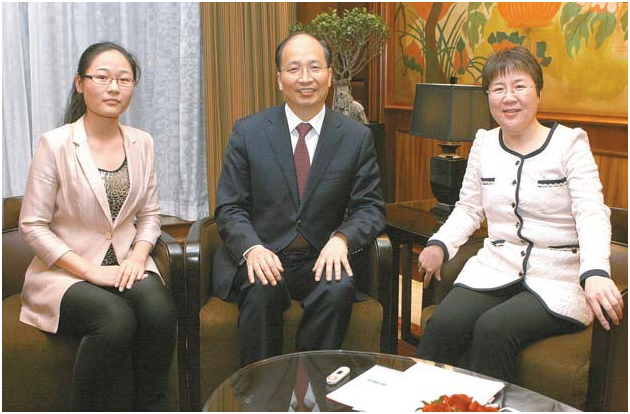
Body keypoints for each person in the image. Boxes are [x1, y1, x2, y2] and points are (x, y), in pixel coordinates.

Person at [416, 46, 624, 383]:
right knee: (444, 324)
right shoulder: (484, 144)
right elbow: (469, 207)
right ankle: (420, 399)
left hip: (557, 278)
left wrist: (596, 272)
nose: (508, 97)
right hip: (496, 267)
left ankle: (485, 405)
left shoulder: (569, 144)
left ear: (537, 92)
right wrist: (440, 244)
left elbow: (591, 212)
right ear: (488, 97)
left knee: (493, 329)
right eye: (498, 89)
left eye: (519, 86)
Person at [18, 42, 176, 411]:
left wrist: (137, 257)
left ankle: (151, 406)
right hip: (65, 272)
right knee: (115, 319)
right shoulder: (55, 144)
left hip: (124, 264)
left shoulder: (142, 142)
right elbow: (32, 225)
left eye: (124, 79)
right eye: (102, 78)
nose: (114, 88)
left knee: (160, 310)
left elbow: (150, 215)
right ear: (80, 83)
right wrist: (89, 271)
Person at [213, 32, 385, 366]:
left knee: (338, 288)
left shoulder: (356, 137)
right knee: (260, 287)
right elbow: (230, 206)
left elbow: (370, 207)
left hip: (321, 255)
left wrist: (342, 239)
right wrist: (252, 248)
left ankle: (309, 385)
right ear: (280, 79)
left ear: (330, 76)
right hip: (265, 251)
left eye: (314, 67)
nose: (305, 78)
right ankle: (261, 388)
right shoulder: (248, 132)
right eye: (294, 69)